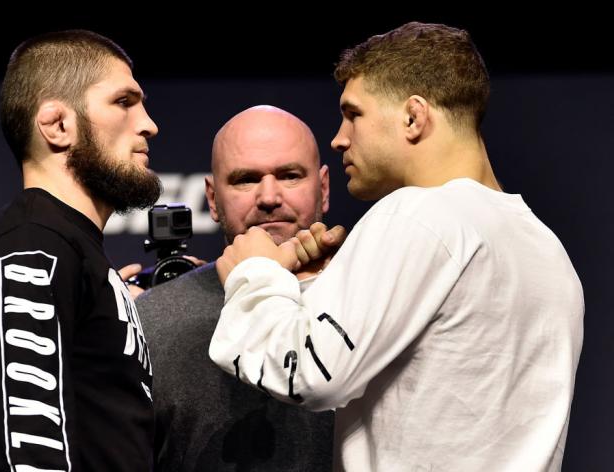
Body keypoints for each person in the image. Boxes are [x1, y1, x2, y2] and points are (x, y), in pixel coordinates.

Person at [209, 22, 584, 471]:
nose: (339, 138)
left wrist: (255, 274)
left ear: (413, 117)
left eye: (353, 114)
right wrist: (316, 291)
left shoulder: (416, 214)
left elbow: (308, 374)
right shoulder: (545, 247)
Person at [0, 30, 161, 471]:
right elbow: (28, 454)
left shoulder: (72, 252)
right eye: (124, 101)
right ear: (57, 125)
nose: (149, 124)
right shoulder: (31, 246)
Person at [135, 105, 336, 471]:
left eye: (290, 175)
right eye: (245, 179)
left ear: (322, 188)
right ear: (211, 198)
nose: (269, 197)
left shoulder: (372, 298)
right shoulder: (150, 320)